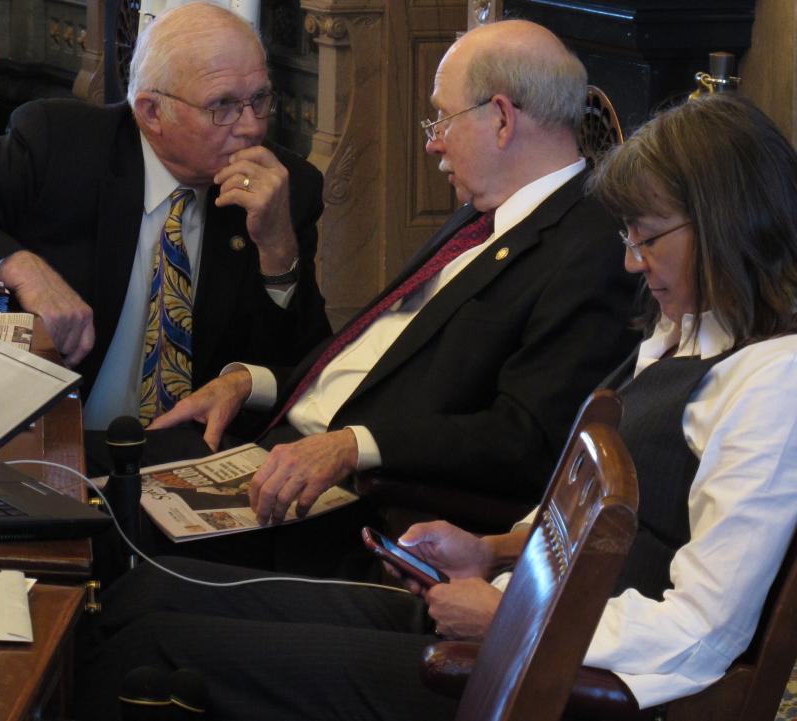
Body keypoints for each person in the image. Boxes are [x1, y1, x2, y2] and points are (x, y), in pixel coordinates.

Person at [73, 93, 797, 720]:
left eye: (649, 237)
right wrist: (492, 550)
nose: (633, 262)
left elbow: (705, 629)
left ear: (727, 222)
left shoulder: (773, 385)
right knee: (146, 594)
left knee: (154, 646)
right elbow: (589, 524)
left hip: (546, 684)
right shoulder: (689, 330)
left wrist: (513, 616)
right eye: (628, 237)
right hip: (514, 623)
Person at [132, 19, 637, 568]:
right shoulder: (478, 218)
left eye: (443, 116)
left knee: (116, 538)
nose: (432, 140)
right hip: (279, 446)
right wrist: (251, 381)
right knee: (94, 477)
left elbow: (526, 440)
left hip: (361, 509)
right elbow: (380, 367)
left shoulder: (592, 250)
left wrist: (354, 446)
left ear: (500, 118)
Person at [0, 2, 331, 431]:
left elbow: (311, 368)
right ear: (151, 112)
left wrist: (278, 250)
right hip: (54, 439)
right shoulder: (63, 146)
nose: (250, 127)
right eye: (223, 105)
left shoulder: (285, 187)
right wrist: (21, 267)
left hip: (186, 453)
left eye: (260, 100)